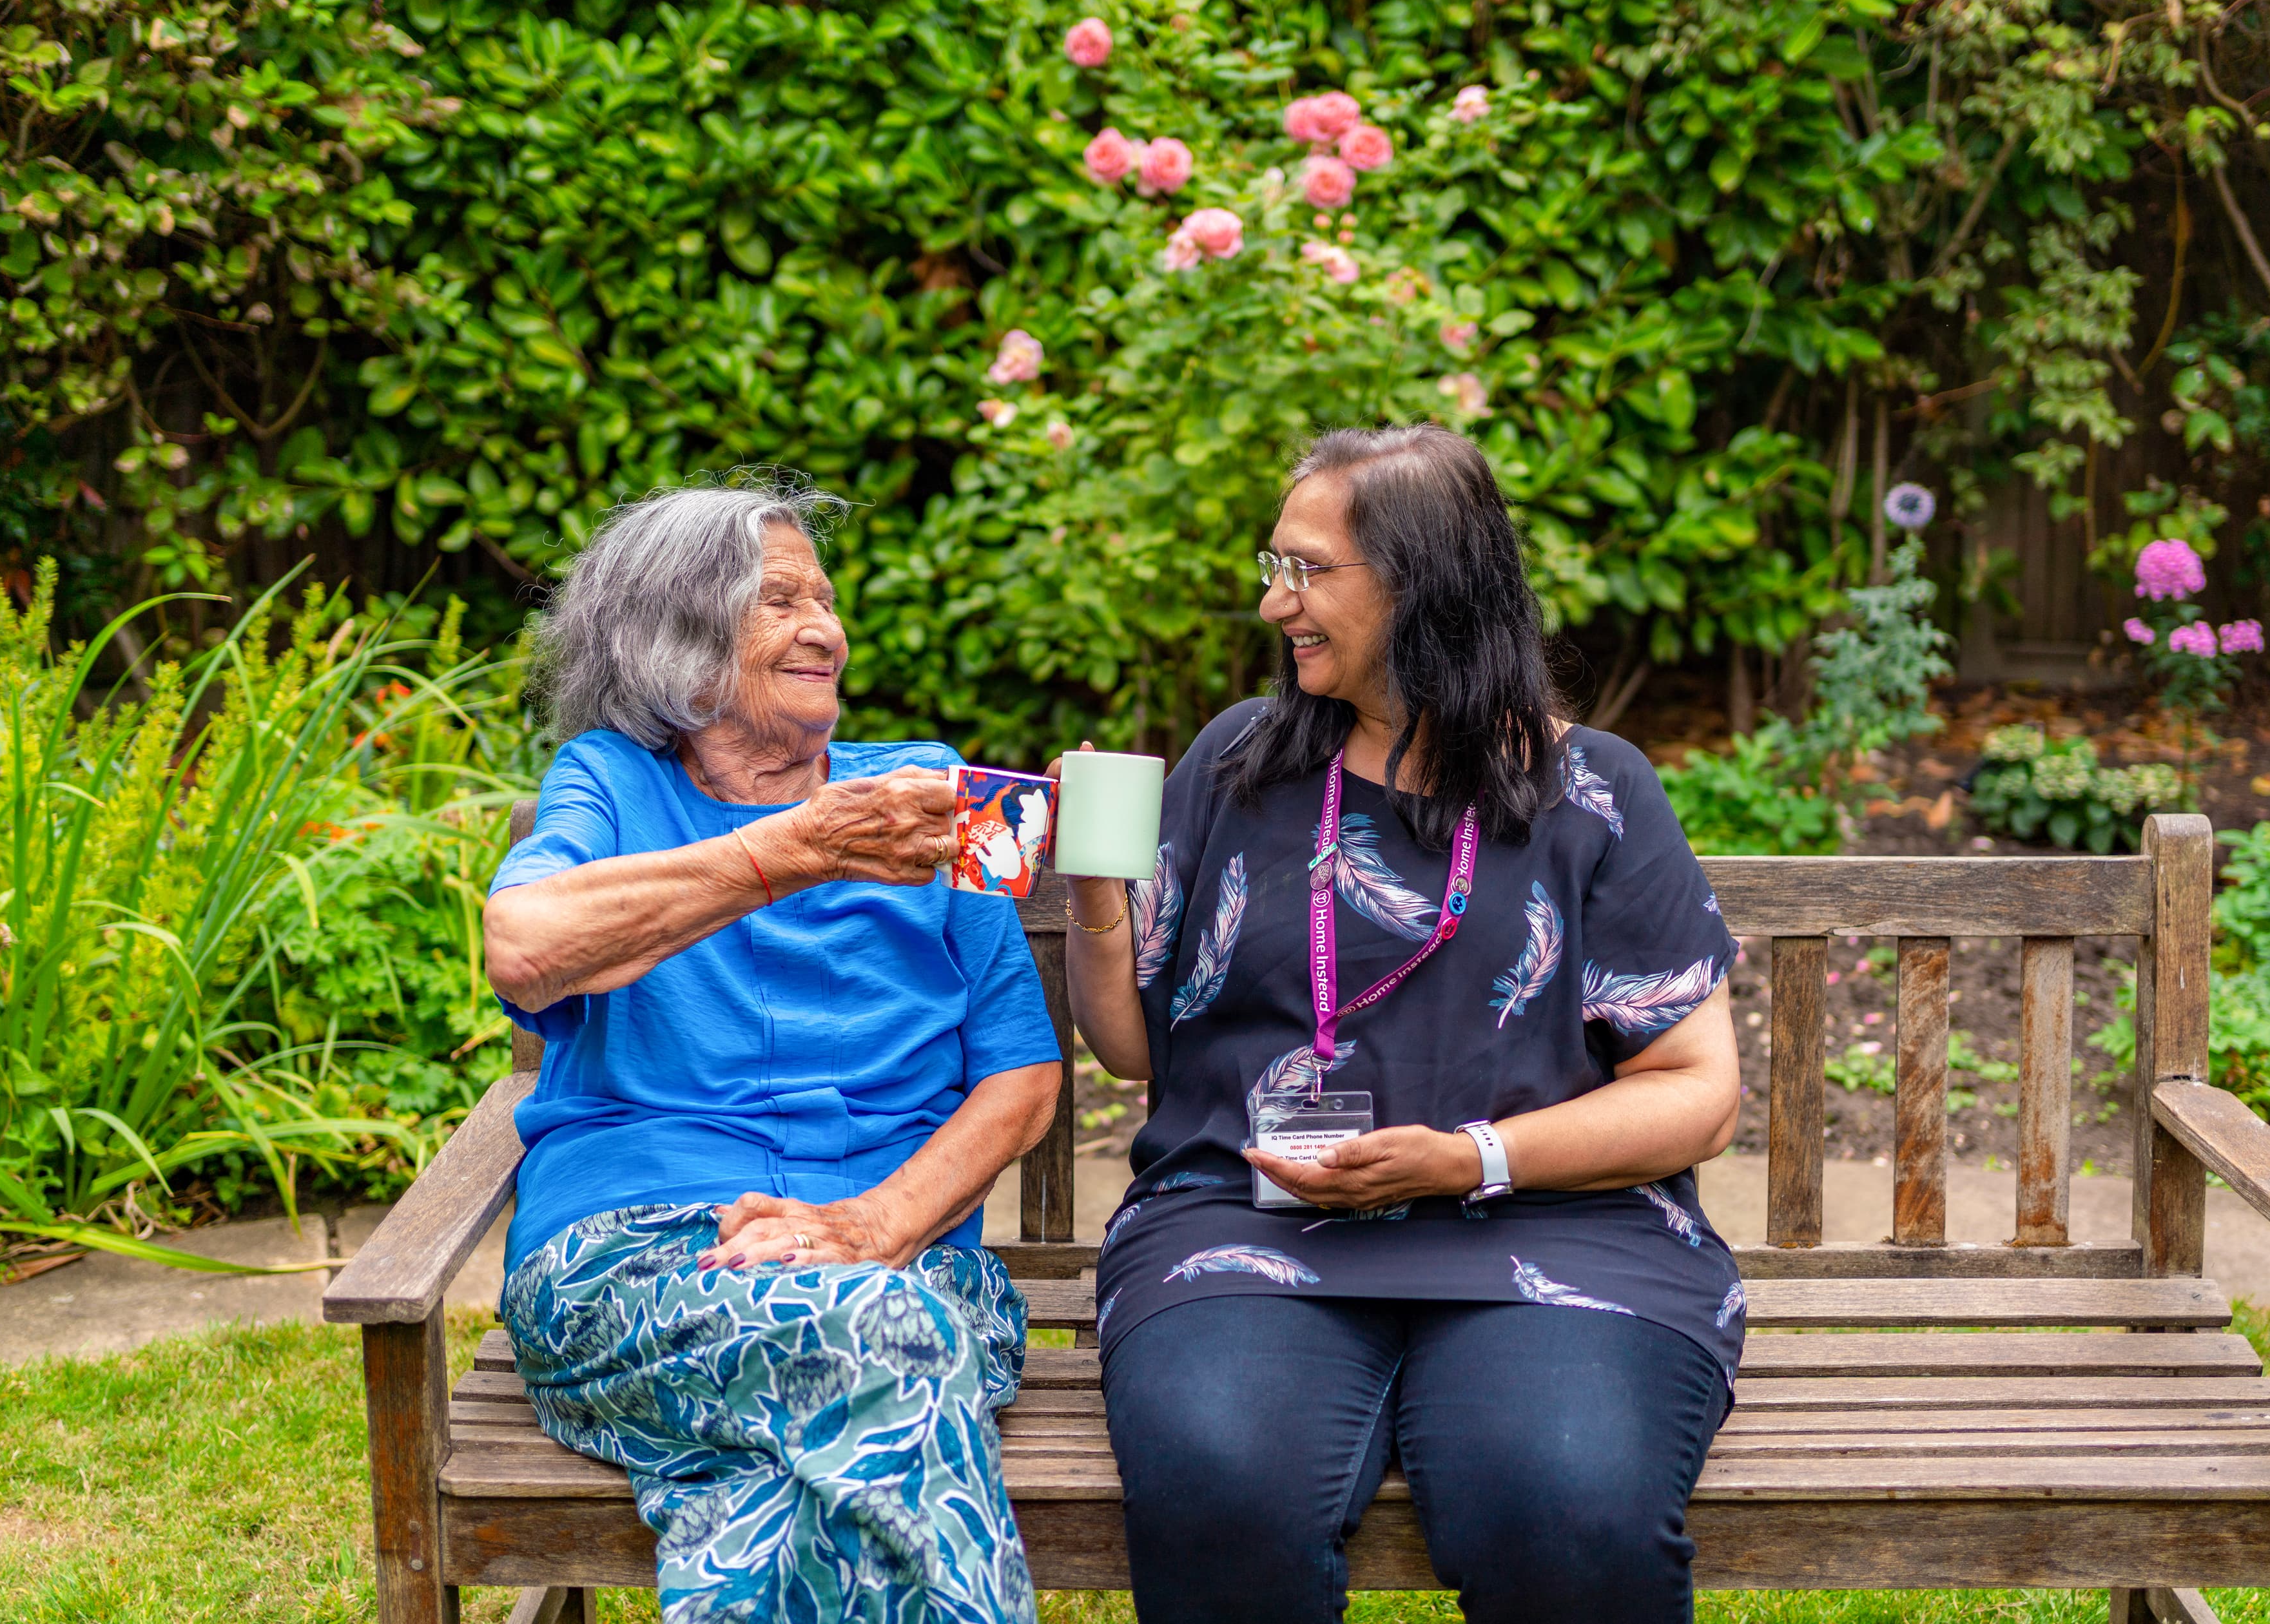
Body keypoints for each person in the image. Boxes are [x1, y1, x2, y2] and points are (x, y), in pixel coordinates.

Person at [1062, 425, 1745, 1624]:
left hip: (1552, 1226)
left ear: (1423, 582)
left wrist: (1473, 1155)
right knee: (1222, 1485)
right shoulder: (1240, 761)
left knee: (1563, 1500)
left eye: (1309, 570)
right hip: (1245, 1212)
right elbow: (1133, 1045)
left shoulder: (1594, 792)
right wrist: (1091, 892)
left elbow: (1696, 1086)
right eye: (1271, 566)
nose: (1278, 603)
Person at [483, 476, 1059, 1624]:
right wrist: (788, 849)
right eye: (781, 600)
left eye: (828, 601)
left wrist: (871, 1226)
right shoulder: (612, 782)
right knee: (889, 1347)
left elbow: (1022, 1073)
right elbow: (526, 946)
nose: (827, 630)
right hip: (641, 1264)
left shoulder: (927, 797)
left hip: (901, 1255)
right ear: (676, 639)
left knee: (857, 1363)